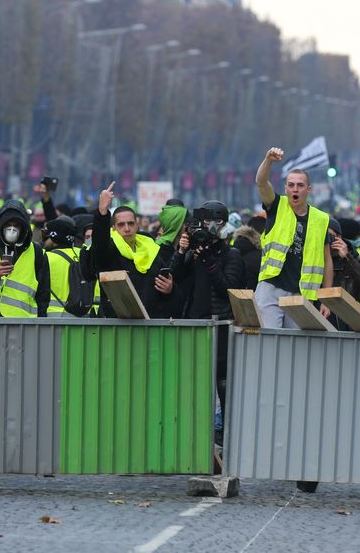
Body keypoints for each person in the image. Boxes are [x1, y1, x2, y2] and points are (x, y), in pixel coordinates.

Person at [172, 200, 245, 438]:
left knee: (222, 382)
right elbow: (174, 279)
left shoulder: (231, 253)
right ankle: (193, 436)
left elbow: (229, 288)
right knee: (194, 384)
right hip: (194, 322)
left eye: (218, 221)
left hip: (220, 323)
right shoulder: (193, 251)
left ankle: (226, 436)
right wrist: (182, 252)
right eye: (207, 221)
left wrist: (210, 261)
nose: (212, 226)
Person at [253, 148, 333, 328]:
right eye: (291, 185)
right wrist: (268, 160)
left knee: (294, 348)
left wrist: (326, 298)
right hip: (271, 288)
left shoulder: (321, 219)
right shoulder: (276, 205)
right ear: (285, 188)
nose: (295, 189)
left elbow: (327, 260)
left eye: (300, 185)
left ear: (308, 189)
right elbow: (261, 182)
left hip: (301, 294)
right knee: (269, 342)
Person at [90, 183, 173, 318]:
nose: (127, 228)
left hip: (149, 324)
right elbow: (99, 245)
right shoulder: (110, 248)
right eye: (121, 224)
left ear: (137, 225)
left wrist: (170, 289)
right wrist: (102, 212)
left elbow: (164, 287)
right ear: (114, 228)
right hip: (117, 325)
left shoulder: (150, 247)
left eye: (130, 223)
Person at [0, 200, 50, 317]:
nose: (12, 229)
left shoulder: (37, 253)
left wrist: (40, 326)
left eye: (16, 226)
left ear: (24, 227)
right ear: (0, 225)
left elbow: (43, 296)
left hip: (22, 323)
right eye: (7, 225)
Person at [325, 217, 360, 330]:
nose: (325, 241)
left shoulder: (356, 260)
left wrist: (347, 258)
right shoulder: (315, 260)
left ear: (338, 238)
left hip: (347, 326)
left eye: (328, 236)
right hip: (321, 323)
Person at [41, 216, 86, 317]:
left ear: (54, 237)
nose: (43, 240)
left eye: (45, 236)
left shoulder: (45, 257)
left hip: (52, 317)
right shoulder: (83, 255)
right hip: (82, 316)